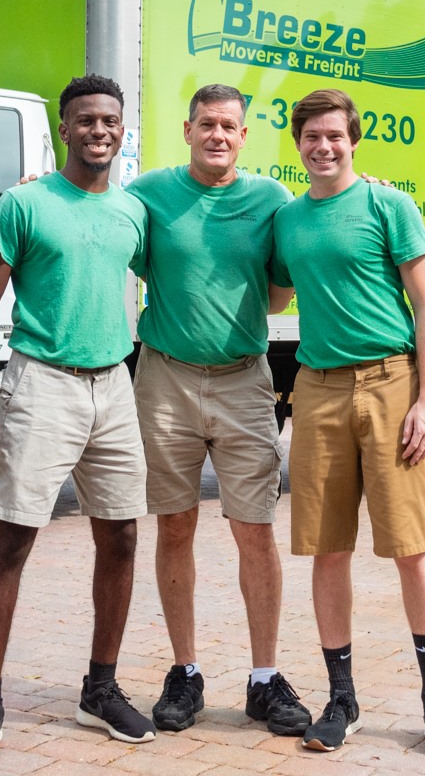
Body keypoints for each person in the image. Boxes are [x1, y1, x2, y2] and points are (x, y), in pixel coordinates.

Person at [0, 74, 155, 770]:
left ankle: (100, 688)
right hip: (42, 385)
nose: (100, 130)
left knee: (123, 537)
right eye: (87, 120)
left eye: (111, 121)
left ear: (122, 131)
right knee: (13, 541)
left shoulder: (133, 212)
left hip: (114, 384)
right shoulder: (26, 202)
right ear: (64, 129)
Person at [269, 87, 425, 763]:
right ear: (296, 144)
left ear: (354, 139)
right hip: (319, 391)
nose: (322, 146)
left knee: (413, 550)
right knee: (328, 551)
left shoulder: (390, 205)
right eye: (310, 137)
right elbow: (272, 293)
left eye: (334, 135)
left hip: (392, 386)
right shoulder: (287, 220)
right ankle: (342, 699)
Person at [127, 84, 312, 737]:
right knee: (174, 527)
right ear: (187, 129)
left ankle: (265, 680)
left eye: (229, 126)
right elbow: (90, 211)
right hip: (165, 381)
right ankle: (185, 673)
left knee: (254, 530)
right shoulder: (149, 193)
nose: (217, 135)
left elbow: (284, 293)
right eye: (207, 124)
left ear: (244, 134)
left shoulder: (270, 201)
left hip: (243, 382)